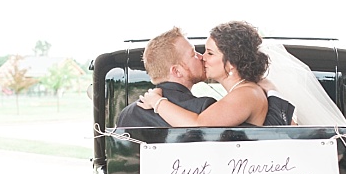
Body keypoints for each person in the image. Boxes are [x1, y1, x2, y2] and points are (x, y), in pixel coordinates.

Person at [119, 24, 295, 128]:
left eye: (209, 53)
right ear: (176, 71)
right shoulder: (215, 101)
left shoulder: (247, 93)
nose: (202, 57)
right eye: (196, 53)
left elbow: (199, 125)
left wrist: (157, 103)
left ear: (231, 63)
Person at [116, 27, 215, 128]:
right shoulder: (204, 108)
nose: (201, 57)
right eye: (193, 54)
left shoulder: (126, 114)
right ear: (177, 71)